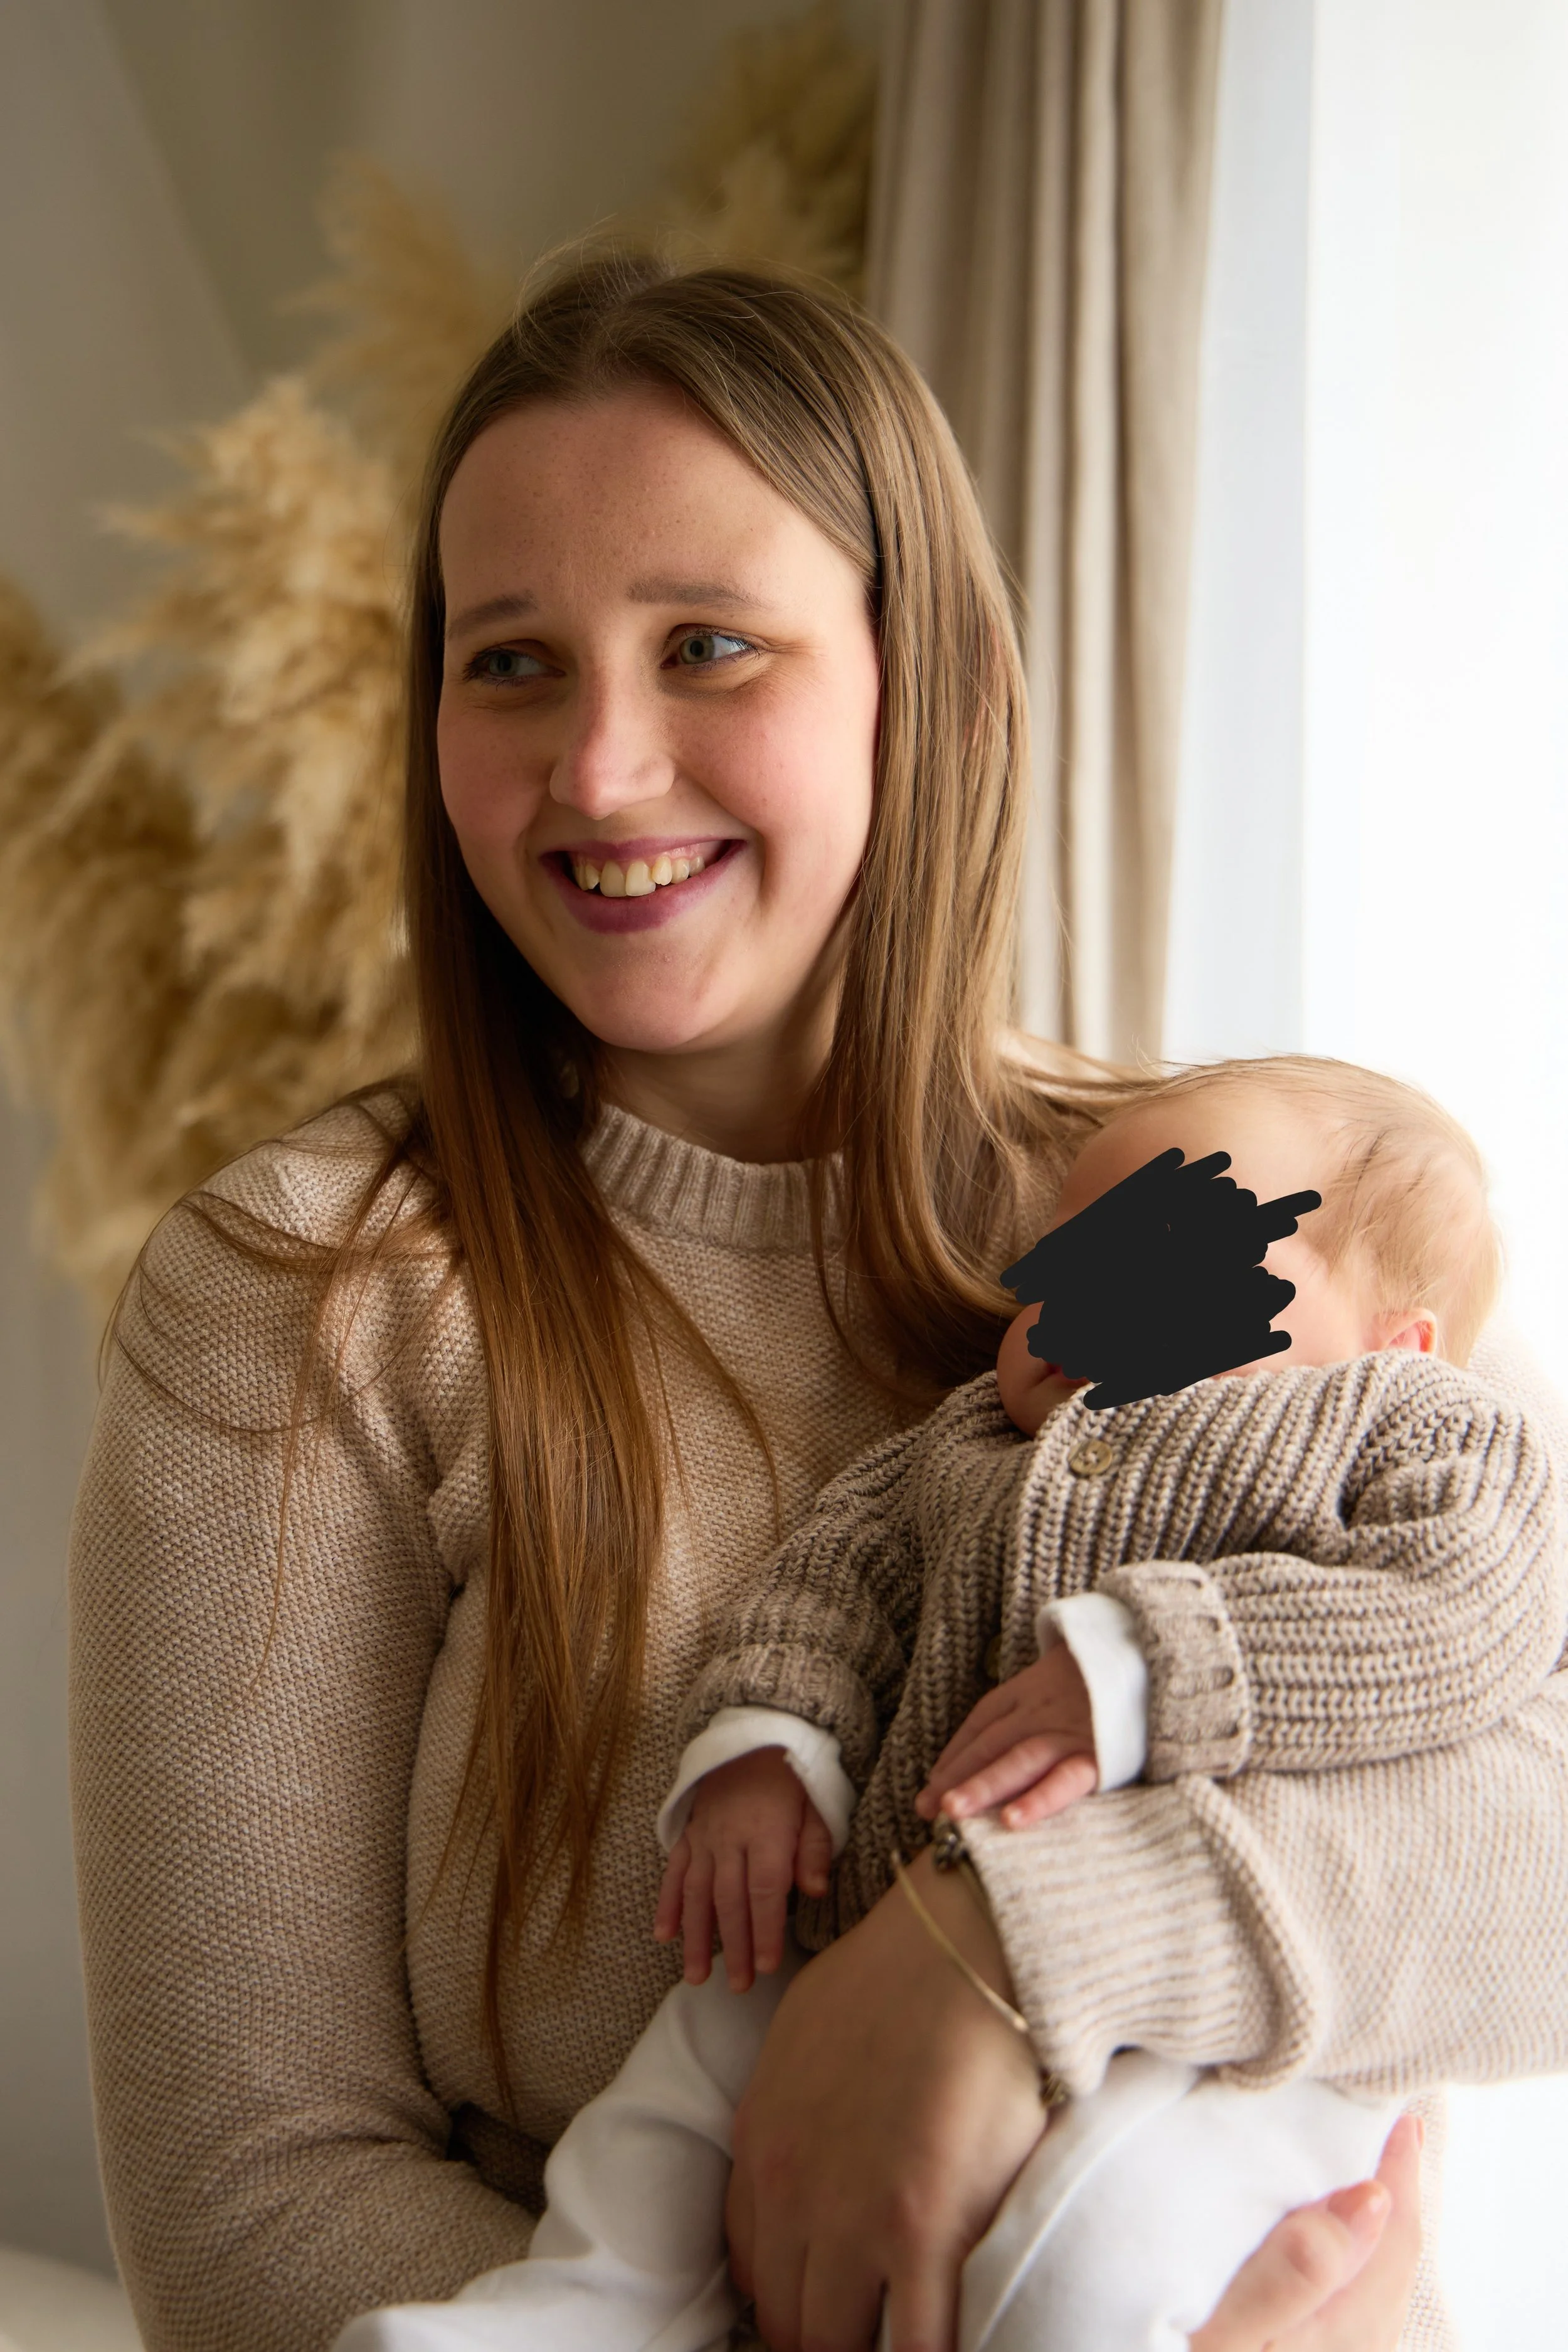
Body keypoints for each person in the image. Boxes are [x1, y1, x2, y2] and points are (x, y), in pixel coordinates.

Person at [66, 257, 1568, 2352]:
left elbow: (1539, 1855)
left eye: (708, 646)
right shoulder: (309, 1297)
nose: (597, 768)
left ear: (925, 686)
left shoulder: (1255, 1211)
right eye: (512, 662)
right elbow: (249, 2219)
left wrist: (993, 1957)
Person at [334, 1054, 1560, 2350]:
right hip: (859, 1918)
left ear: (1393, 1348)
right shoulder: (966, 1446)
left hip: (1212, 2019)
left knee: (1100, 2251)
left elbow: (1466, 1609)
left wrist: (1159, 1667)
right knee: (689, 2065)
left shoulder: (1413, 1435)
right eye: (1061, 1262)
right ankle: (584, 2303)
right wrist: (770, 1740)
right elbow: (837, 1576)